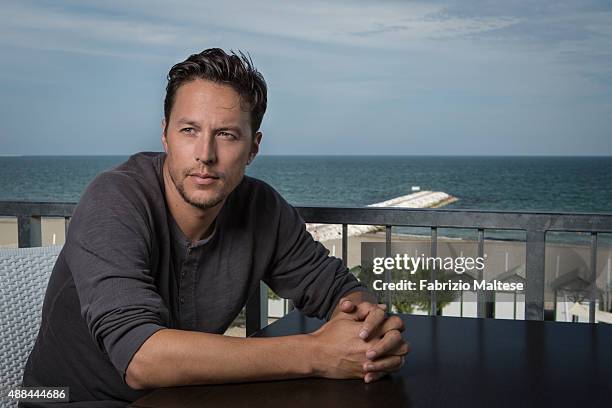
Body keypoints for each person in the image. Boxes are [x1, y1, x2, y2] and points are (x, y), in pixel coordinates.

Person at [20, 48, 410, 407]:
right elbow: (141, 358)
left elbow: (337, 289)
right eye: (189, 130)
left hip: (181, 398)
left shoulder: (262, 208)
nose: (205, 154)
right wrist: (315, 353)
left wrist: (367, 329)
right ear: (165, 134)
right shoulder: (114, 199)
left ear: (253, 148)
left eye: (226, 134)